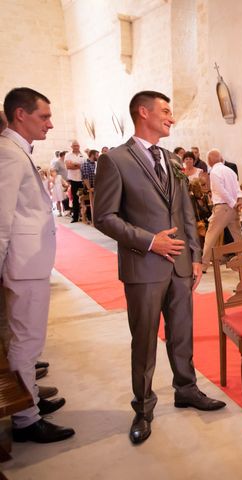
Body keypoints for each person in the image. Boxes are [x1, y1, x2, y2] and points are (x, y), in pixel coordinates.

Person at [93, 90, 226, 446]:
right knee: (145, 339)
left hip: (180, 265)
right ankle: (144, 406)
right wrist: (151, 241)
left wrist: (195, 256)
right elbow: (103, 217)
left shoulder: (169, 158)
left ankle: (186, 388)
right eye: (166, 111)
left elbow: (185, 212)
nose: (172, 118)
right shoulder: (115, 160)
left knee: (182, 332)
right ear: (143, 112)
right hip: (144, 266)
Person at [0, 87, 75, 443]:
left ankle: (29, 399)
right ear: (20, 114)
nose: (50, 123)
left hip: (31, 261)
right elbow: (1, 220)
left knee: (31, 340)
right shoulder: (9, 154)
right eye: (44, 116)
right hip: (23, 262)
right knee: (26, 341)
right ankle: (26, 420)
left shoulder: (17, 151)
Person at [200, 148, 242, 273]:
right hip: (232, 207)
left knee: (210, 235)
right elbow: (237, 188)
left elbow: (221, 190)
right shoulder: (230, 171)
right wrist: (238, 201)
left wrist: (232, 203)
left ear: (209, 161)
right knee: (238, 235)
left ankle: (203, 265)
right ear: (220, 158)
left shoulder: (214, 172)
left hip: (223, 208)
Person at [65, 139, 84, 223]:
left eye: (77, 145)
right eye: (74, 145)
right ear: (71, 147)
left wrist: (74, 164)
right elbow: (68, 166)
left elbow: (84, 165)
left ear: (79, 146)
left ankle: (85, 215)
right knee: (75, 199)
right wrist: (79, 165)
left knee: (84, 198)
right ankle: (75, 217)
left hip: (83, 180)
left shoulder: (83, 154)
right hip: (73, 180)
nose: (76, 147)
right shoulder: (68, 155)